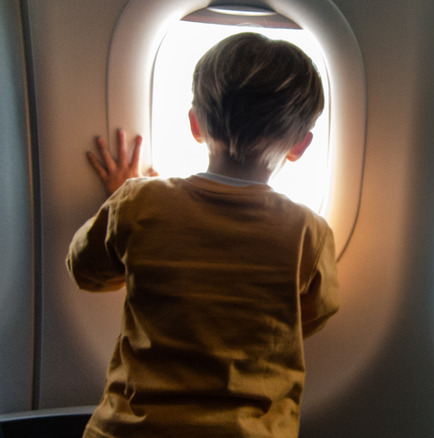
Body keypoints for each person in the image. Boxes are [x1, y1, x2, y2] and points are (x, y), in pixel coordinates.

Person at [66, 32, 339, 438]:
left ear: (195, 123)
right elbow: (312, 314)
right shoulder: (308, 232)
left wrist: (125, 214)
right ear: (300, 145)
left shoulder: (138, 202)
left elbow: (84, 271)